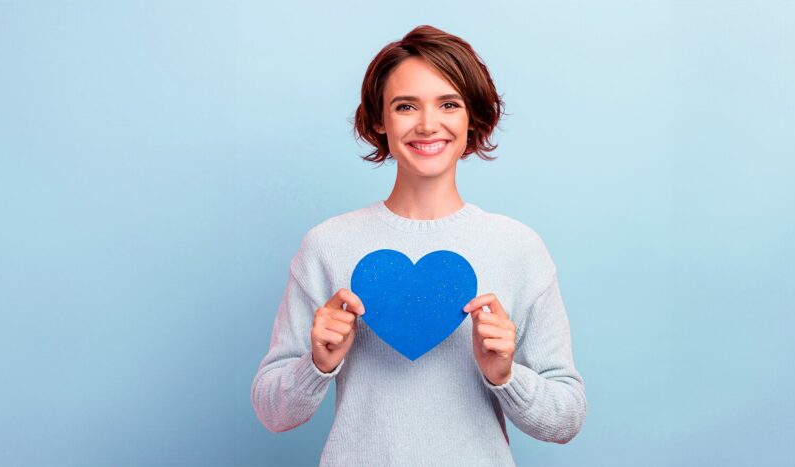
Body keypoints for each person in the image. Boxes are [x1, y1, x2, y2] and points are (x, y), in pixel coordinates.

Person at [251, 25, 586, 466]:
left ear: (473, 118)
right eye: (405, 106)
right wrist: (317, 364)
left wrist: (505, 376)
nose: (428, 124)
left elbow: (567, 419)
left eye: (449, 104)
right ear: (378, 119)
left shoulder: (517, 247)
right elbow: (273, 413)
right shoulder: (327, 245)